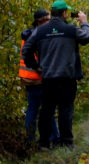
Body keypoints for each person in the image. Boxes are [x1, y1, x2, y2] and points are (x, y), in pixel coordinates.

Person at [22, 0, 89, 149]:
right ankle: (66, 143)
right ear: (64, 13)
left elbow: (26, 50)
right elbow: (87, 37)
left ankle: (44, 144)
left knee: (47, 111)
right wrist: (84, 22)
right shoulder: (71, 29)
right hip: (67, 78)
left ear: (52, 12)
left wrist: (36, 66)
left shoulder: (40, 31)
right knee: (65, 111)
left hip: (47, 78)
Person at [19, 9, 60, 146]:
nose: (50, 21)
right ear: (41, 21)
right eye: (48, 19)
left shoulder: (27, 34)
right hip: (40, 78)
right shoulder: (39, 35)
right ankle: (54, 138)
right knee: (48, 109)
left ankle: (31, 140)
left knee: (33, 109)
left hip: (28, 79)